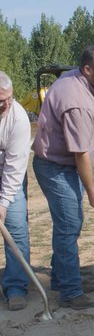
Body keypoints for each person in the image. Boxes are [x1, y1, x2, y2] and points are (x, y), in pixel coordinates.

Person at [32, 45, 94, 310]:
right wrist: (91, 191)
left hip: (66, 165)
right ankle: (69, 291)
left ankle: (62, 278)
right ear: (88, 69)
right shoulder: (75, 100)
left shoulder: (81, 81)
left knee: (70, 223)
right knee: (69, 225)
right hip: (55, 166)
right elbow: (80, 154)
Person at [0, 72, 31, 311]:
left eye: (9, 98)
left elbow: (15, 167)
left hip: (10, 174)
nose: (6, 105)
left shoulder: (18, 118)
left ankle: (16, 286)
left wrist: (3, 204)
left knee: (16, 228)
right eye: (1, 101)